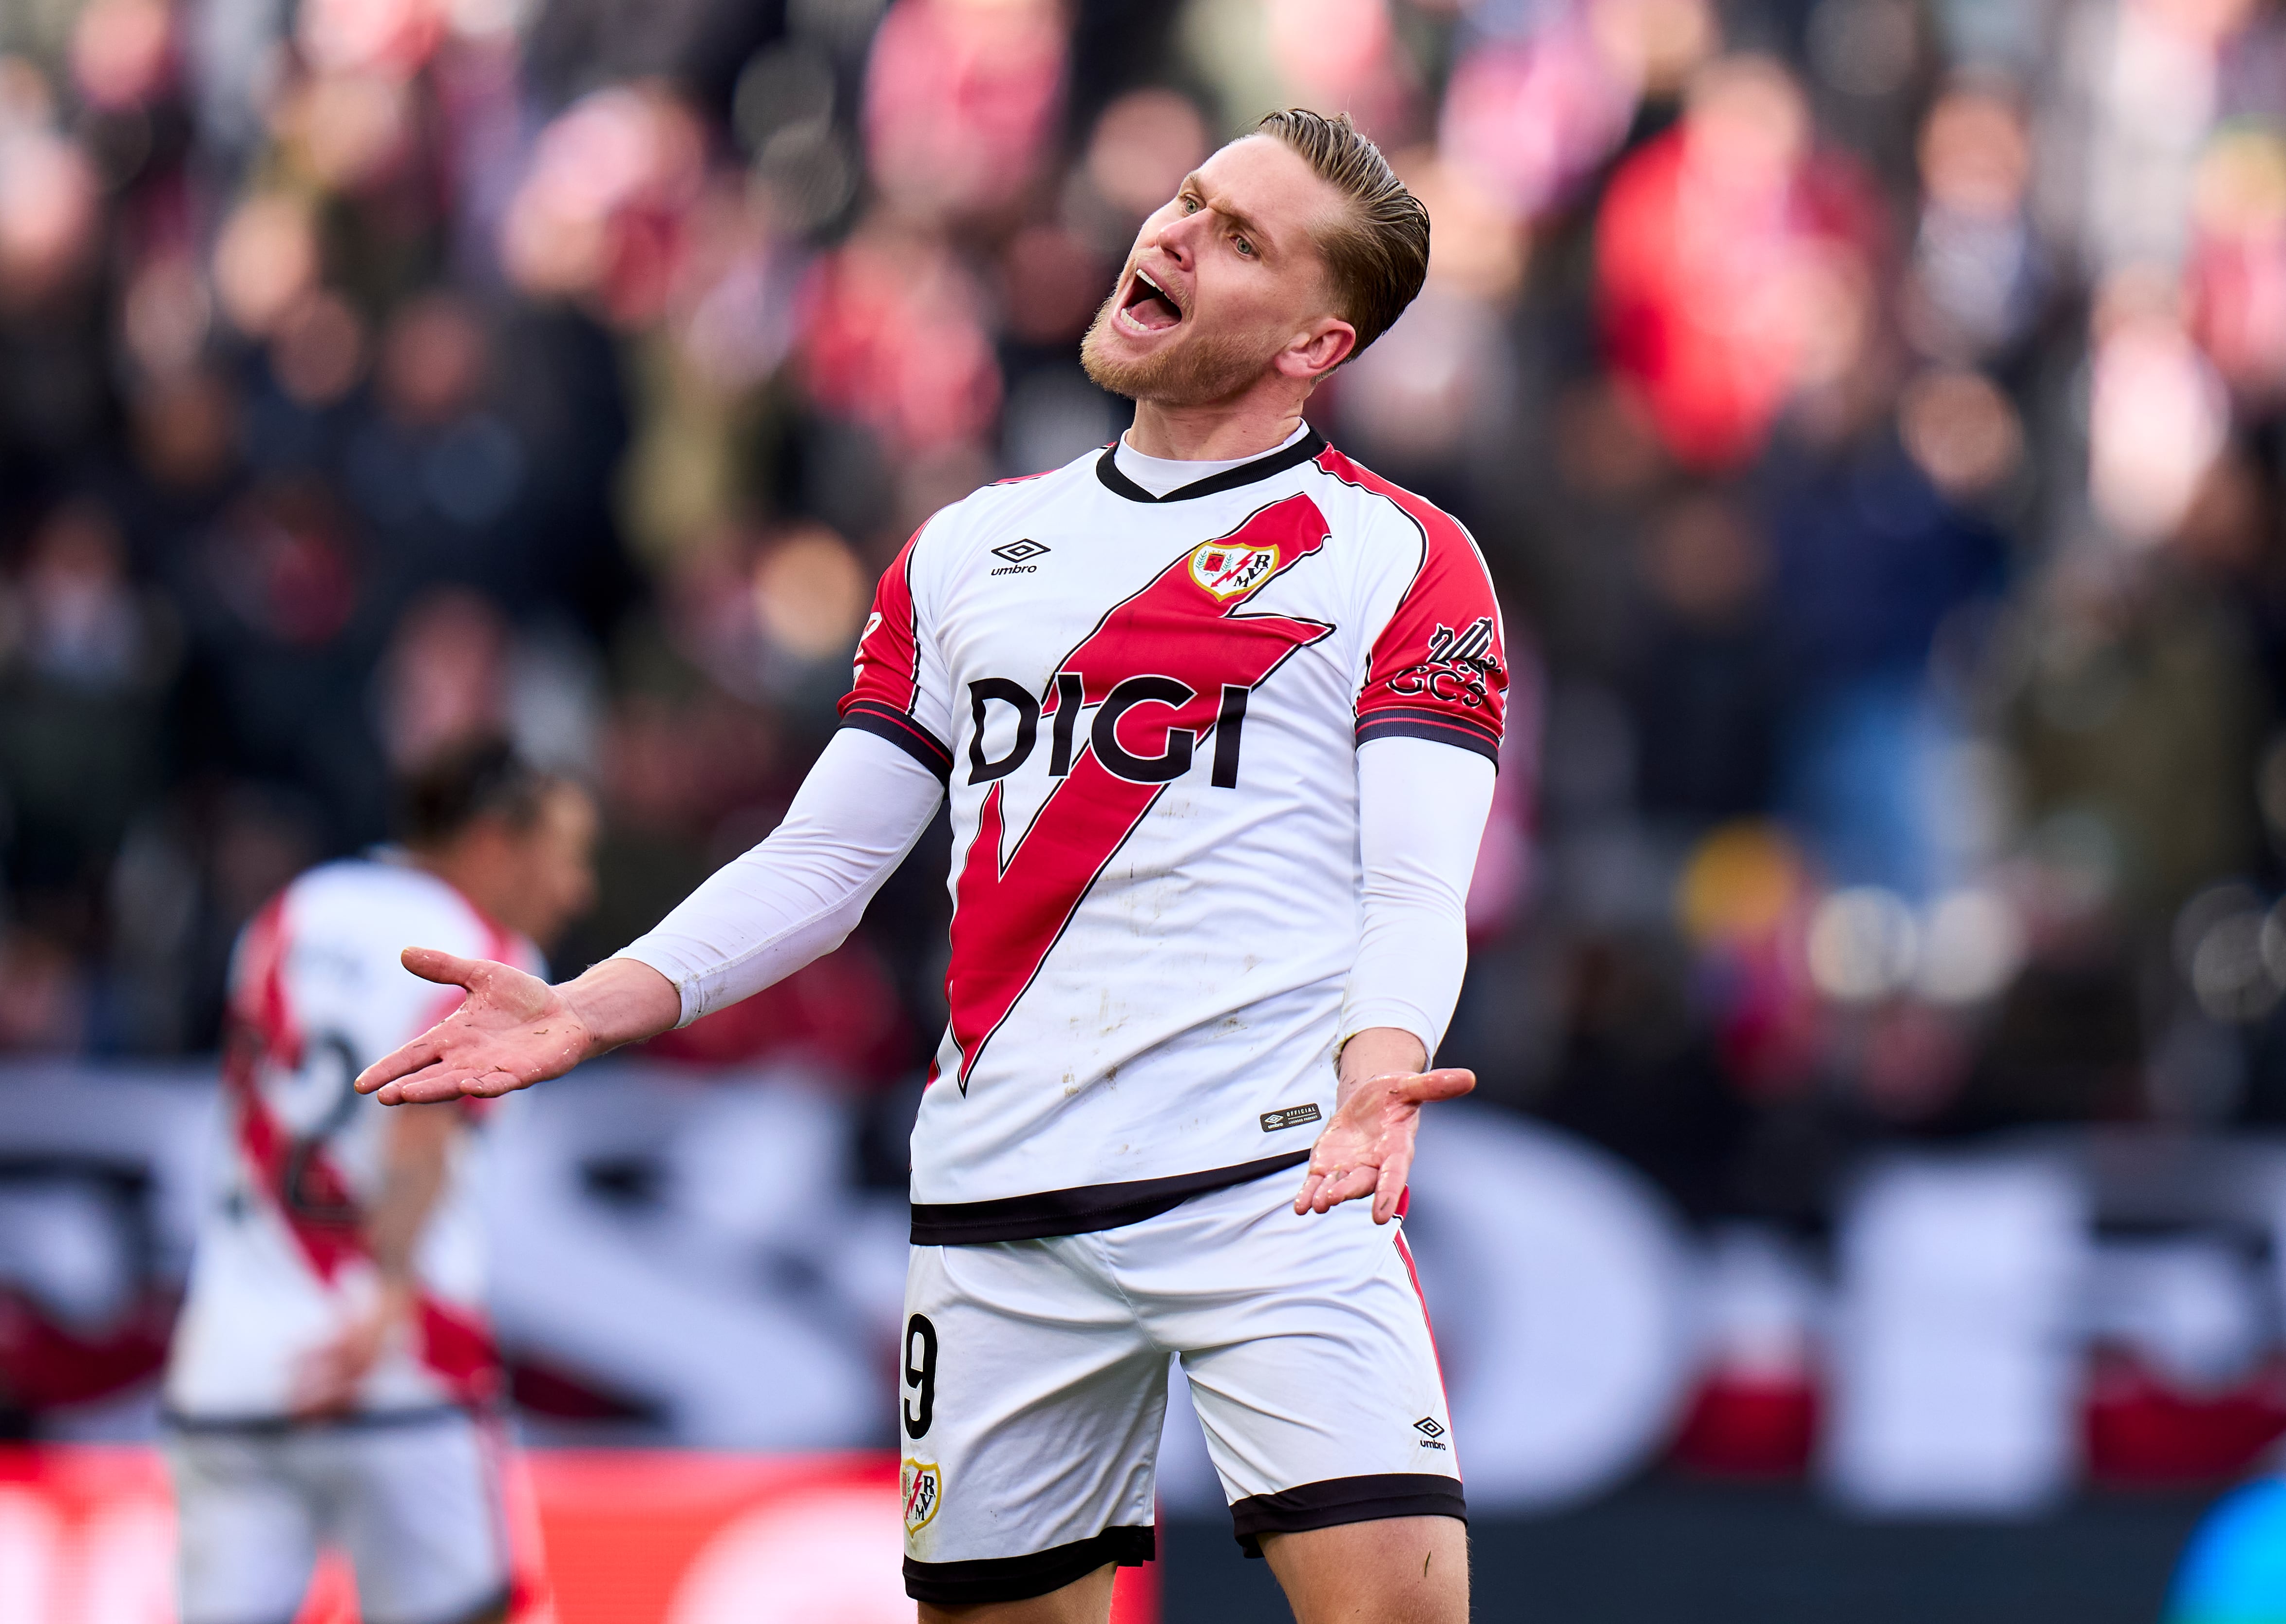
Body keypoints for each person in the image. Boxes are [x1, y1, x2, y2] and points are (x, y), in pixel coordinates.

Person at [359, 109, 1505, 1624]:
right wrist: (597, 1003)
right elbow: (828, 858)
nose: (1170, 233)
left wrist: (1383, 1063)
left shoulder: (1402, 558)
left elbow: (1417, 890)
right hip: (1003, 1201)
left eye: (1238, 238)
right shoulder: (969, 548)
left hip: (1272, 1183)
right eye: (1185, 198)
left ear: (1316, 338)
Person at [165, 738, 598, 1624]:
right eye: (561, 853)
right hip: (397, 1369)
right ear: (492, 842)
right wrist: (390, 1294)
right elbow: (424, 1132)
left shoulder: (291, 912)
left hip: (232, 1367)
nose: (575, 887)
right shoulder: (486, 955)